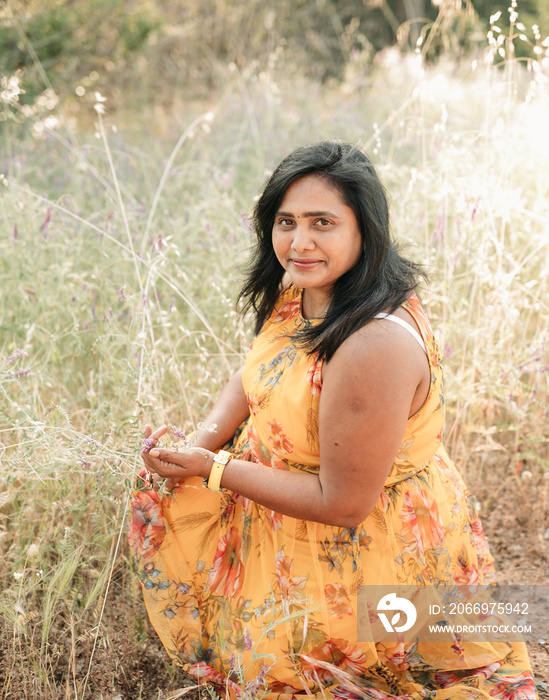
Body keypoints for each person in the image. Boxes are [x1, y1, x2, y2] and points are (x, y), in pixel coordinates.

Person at [130, 141, 536, 699]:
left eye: (323, 222)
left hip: (362, 552)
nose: (299, 242)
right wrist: (199, 440)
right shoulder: (308, 290)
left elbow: (342, 503)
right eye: (286, 222)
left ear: (365, 230)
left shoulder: (373, 345)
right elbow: (261, 369)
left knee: (358, 683)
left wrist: (213, 468)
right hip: (286, 513)